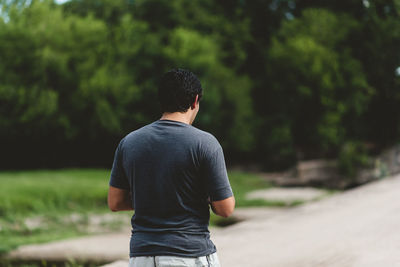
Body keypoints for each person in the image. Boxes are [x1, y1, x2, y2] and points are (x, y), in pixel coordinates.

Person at [108, 68, 235, 267]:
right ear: (195, 101)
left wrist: (153, 198)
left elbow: (115, 202)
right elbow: (225, 208)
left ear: (161, 100)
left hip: (141, 257)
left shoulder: (129, 142)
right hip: (188, 255)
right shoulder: (205, 143)